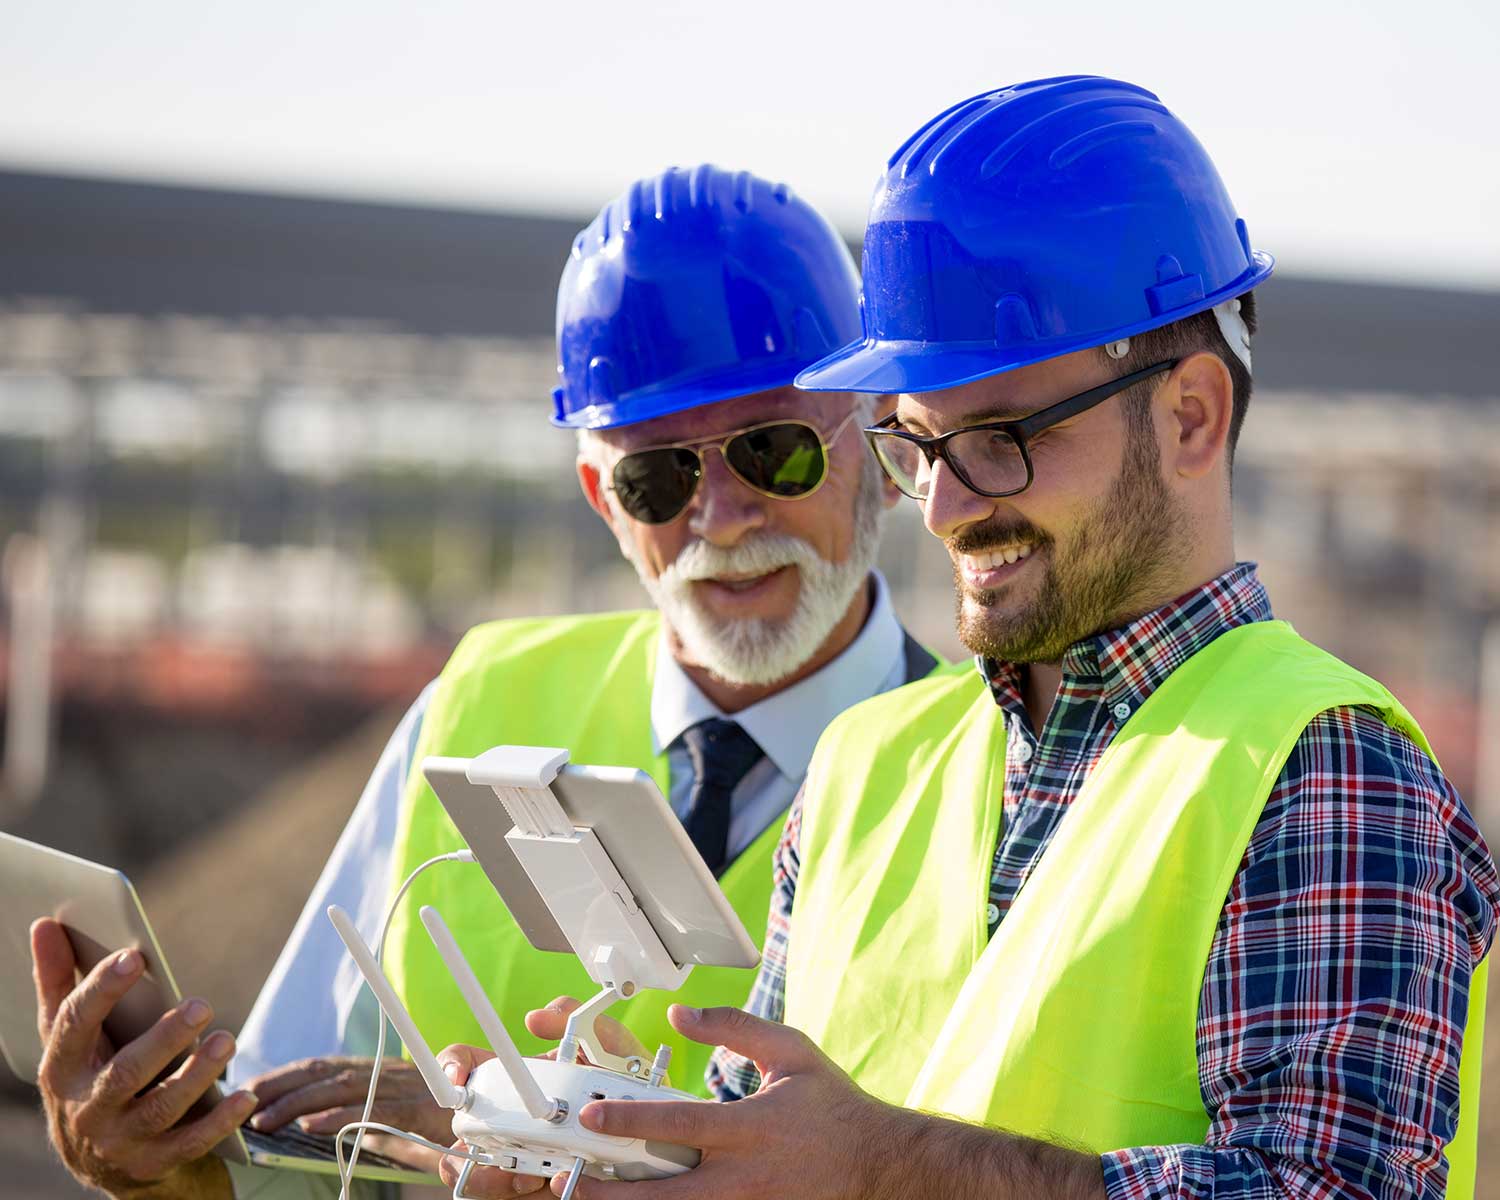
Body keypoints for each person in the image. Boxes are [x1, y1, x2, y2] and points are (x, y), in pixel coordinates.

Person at [439, 77, 1499, 1200]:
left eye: (998, 438)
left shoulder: (1320, 765)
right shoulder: (863, 766)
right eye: (915, 445)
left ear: (1192, 415)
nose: (943, 509)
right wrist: (635, 1136)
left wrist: (892, 1171)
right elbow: (784, 1152)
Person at [28, 163, 941, 1200]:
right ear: (603, 497)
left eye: (774, 453)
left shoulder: (987, 769)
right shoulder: (474, 705)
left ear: (875, 444)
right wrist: (162, 1169)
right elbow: (286, 1149)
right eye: (660, 477)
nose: (723, 519)